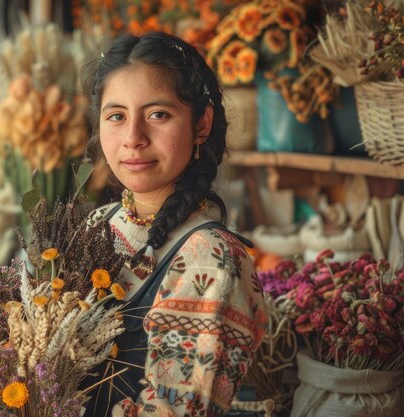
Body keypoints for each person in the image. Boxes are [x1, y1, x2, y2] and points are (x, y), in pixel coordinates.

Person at [82, 31, 268, 417]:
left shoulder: (212, 260)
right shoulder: (93, 226)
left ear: (201, 125)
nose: (133, 138)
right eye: (116, 116)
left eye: (157, 115)